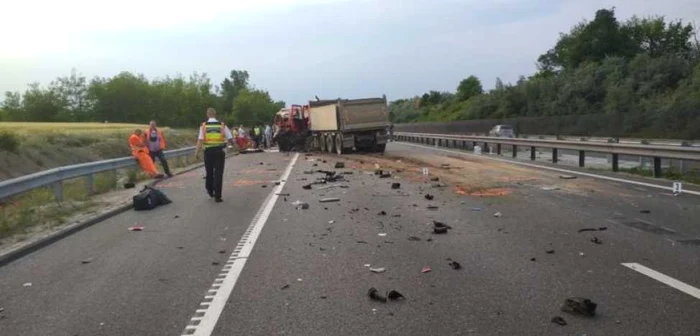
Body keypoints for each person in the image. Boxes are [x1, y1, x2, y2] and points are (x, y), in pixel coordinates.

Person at [195, 108, 234, 202]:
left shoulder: (203, 126)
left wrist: (196, 151)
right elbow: (230, 137)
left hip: (208, 152)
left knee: (209, 172)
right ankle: (218, 196)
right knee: (218, 173)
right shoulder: (222, 125)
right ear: (215, 114)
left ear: (207, 114)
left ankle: (210, 190)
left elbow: (200, 140)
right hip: (219, 152)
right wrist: (232, 144)